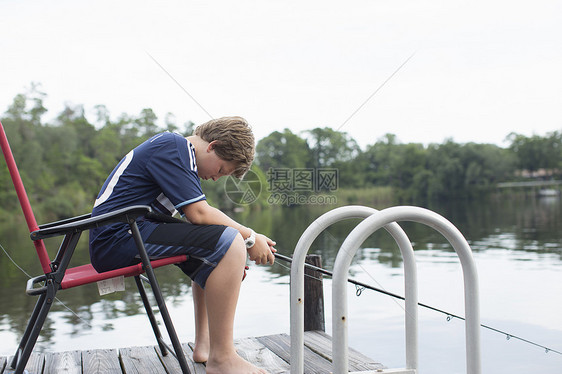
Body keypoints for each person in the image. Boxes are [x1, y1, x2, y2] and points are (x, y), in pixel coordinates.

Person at [89, 116, 276, 374]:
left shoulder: (177, 153)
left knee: (219, 249)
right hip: (117, 238)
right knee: (230, 241)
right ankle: (222, 360)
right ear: (212, 146)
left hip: (125, 234)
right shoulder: (173, 147)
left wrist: (230, 263)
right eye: (221, 170)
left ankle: (205, 346)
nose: (215, 178)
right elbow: (198, 214)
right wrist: (250, 237)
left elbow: (200, 223)